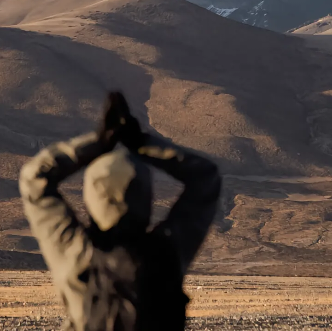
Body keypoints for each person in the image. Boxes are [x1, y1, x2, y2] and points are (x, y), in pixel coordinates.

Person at [19, 92, 221, 331]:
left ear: (92, 197)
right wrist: (142, 143)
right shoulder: (167, 253)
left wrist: (99, 140)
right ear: (146, 197)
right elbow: (205, 177)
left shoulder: (75, 254)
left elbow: (35, 178)